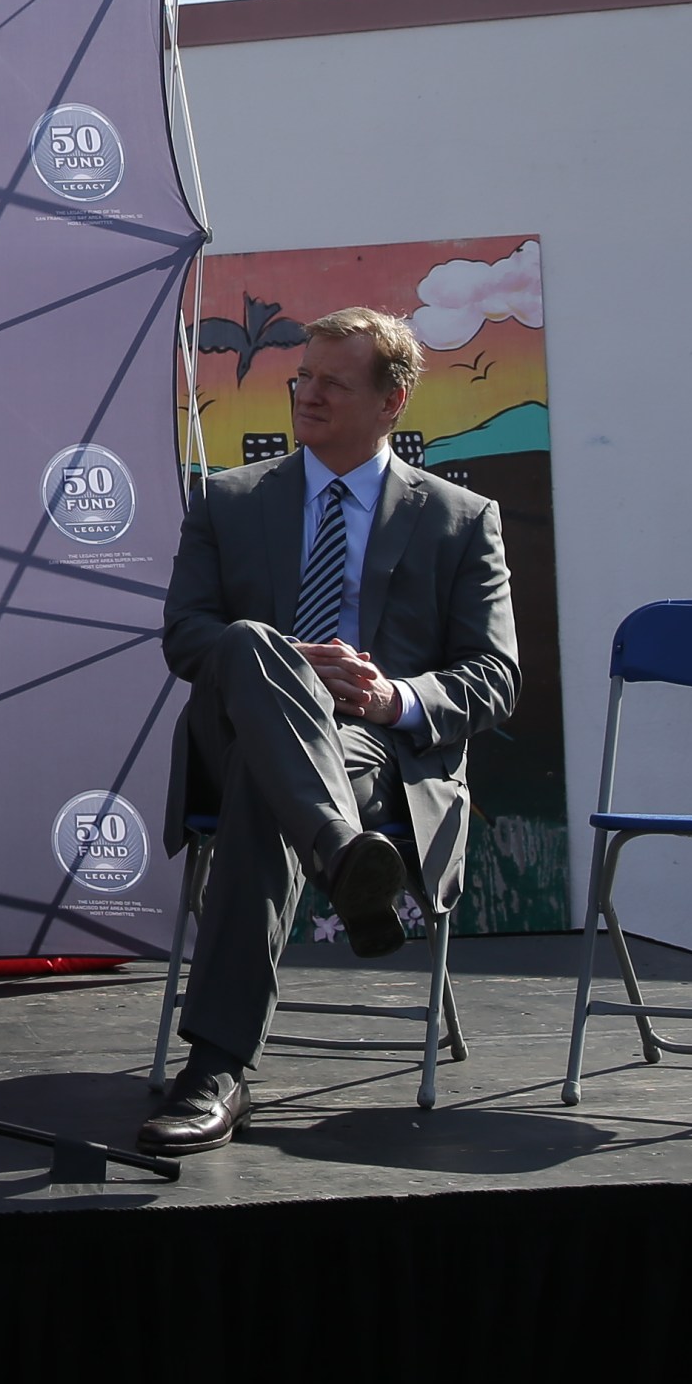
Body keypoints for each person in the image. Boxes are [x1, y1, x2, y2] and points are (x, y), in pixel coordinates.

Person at [135, 307, 520, 1159]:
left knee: (264, 789)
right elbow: (185, 637)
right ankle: (346, 858)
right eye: (300, 377)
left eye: (332, 383)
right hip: (238, 727)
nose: (306, 395)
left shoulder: (459, 518)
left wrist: (393, 699)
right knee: (243, 640)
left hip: (366, 747)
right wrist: (289, 661)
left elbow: (495, 677)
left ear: (393, 401)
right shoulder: (229, 502)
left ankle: (216, 1068)